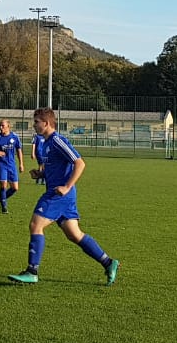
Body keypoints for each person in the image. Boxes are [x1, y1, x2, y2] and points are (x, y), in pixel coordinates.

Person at [9, 108, 118, 285]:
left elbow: (80, 163)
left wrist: (67, 187)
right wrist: (41, 174)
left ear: (46, 123)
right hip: (60, 193)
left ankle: (32, 271)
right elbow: (56, 168)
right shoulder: (45, 143)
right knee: (74, 234)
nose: (34, 125)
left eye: (36, 121)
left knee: (35, 225)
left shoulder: (58, 140)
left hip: (59, 194)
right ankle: (108, 262)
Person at [0, 119, 25, 213]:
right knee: (3, 185)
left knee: (15, 188)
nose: (1, 128)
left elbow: (19, 150)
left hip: (11, 165)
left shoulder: (14, 137)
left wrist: (21, 163)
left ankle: (2, 198)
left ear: (8, 126)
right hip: (1, 165)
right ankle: (4, 206)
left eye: (3, 126)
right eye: (0, 126)